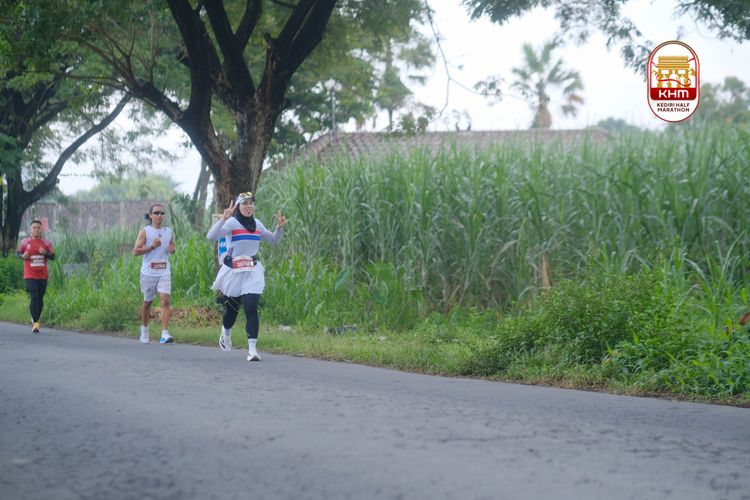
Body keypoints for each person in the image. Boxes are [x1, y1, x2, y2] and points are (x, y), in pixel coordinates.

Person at [206, 191, 287, 361]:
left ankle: (252, 350)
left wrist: (279, 229)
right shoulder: (231, 223)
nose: (249, 206)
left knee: (251, 308)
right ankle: (226, 332)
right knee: (232, 310)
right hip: (234, 271)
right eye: (245, 203)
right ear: (238, 206)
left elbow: (273, 240)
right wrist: (223, 219)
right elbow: (210, 236)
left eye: (251, 203)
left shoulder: (257, 224)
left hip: (252, 270)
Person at [133, 204, 176, 344]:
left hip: (164, 271)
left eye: (162, 213)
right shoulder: (145, 231)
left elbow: (172, 245)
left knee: (165, 300)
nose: (159, 215)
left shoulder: (168, 231)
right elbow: (136, 251)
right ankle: (145, 329)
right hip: (148, 273)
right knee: (148, 302)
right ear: (151, 215)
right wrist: (152, 246)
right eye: (156, 213)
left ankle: (165, 334)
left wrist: (172, 248)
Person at [16, 220, 55, 333]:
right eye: (34, 227)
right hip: (29, 274)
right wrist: (22, 256)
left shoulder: (47, 243)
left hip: (42, 275)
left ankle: (35, 318)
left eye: (39, 228)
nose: (37, 229)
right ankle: (36, 323)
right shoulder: (24, 242)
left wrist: (45, 253)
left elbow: (52, 256)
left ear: (42, 230)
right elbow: (18, 253)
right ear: (30, 230)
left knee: (40, 298)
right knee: (34, 296)